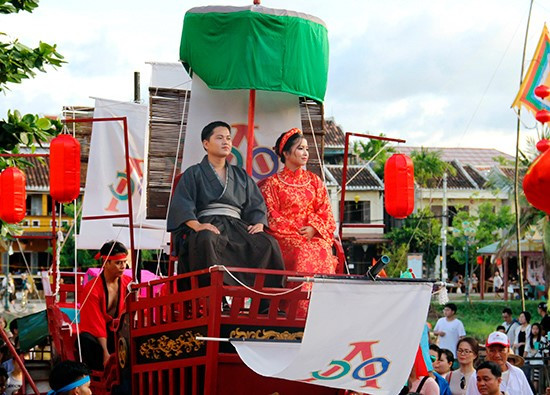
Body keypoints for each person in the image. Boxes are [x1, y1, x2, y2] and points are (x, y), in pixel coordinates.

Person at [166, 121, 284, 288]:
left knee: (267, 243)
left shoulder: (240, 174)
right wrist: (198, 226)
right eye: (219, 138)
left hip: (236, 226)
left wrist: (258, 222)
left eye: (228, 138)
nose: (226, 142)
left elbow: (255, 203)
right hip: (207, 224)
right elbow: (182, 204)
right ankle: (213, 297)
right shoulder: (193, 173)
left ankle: (264, 301)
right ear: (206, 144)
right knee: (207, 239)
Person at [260, 128, 337, 316]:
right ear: (285, 153)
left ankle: (323, 311)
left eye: (306, 149)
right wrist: (296, 232)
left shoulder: (315, 181)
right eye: (300, 148)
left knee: (321, 249)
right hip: (284, 237)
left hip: (312, 234)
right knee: (302, 250)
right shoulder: (272, 184)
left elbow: (325, 211)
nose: (305, 153)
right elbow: (271, 215)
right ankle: (298, 312)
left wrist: (313, 229)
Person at [78, 240, 132, 371]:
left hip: (119, 331)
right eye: (118, 263)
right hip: (98, 335)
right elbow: (95, 323)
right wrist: (105, 353)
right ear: (106, 263)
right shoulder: (92, 289)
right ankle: (98, 375)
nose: (123, 266)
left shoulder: (129, 283)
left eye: (125, 262)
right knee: (85, 340)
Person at [465, 331, 532, 395]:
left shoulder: (518, 373)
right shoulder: (476, 377)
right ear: (487, 351)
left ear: (508, 350)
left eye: (501, 350)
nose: (497, 355)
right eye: (492, 350)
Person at [524, 323, 546, 392]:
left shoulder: (542, 339)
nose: (535, 330)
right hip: (531, 362)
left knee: (536, 379)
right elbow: (526, 351)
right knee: (531, 379)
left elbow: (536, 350)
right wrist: (523, 359)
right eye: (533, 329)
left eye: (536, 329)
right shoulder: (529, 339)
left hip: (538, 362)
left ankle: (535, 392)